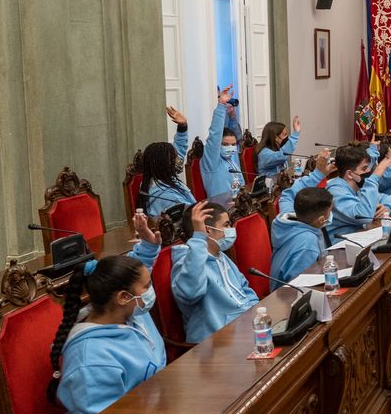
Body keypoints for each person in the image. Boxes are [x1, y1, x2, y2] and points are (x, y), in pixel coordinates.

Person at [49, 213, 165, 414]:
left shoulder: (128, 313)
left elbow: (135, 271)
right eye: (147, 288)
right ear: (123, 297)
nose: (150, 292)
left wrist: (148, 244)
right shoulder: (90, 358)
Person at [171, 200, 260, 343]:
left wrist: (257, 312)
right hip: (216, 342)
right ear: (207, 230)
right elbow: (190, 293)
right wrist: (199, 237)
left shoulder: (220, 255)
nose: (231, 229)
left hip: (244, 328)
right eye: (226, 225)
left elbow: (244, 288)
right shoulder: (186, 263)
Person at [325, 143, 391, 242]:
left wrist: (386, 208)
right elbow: (363, 216)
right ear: (350, 174)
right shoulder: (335, 191)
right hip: (342, 247)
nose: (368, 171)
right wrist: (375, 175)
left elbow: (389, 198)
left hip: (362, 237)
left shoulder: (357, 186)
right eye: (364, 168)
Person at [138, 106, 197, 217]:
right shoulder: (166, 195)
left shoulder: (158, 178)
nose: (178, 161)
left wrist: (182, 127)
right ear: (165, 164)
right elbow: (192, 216)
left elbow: (179, 149)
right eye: (174, 158)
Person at [270, 185, 334, 288]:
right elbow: (303, 286)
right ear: (321, 220)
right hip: (287, 297)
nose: (331, 214)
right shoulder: (307, 243)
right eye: (330, 211)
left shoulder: (290, 222)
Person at [200, 85, 246, 199]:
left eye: (233, 145)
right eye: (225, 144)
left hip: (237, 205)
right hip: (220, 208)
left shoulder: (231, 162)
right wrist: (221, 105)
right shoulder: (212, 161)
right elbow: (215, 134)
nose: (230, 147)